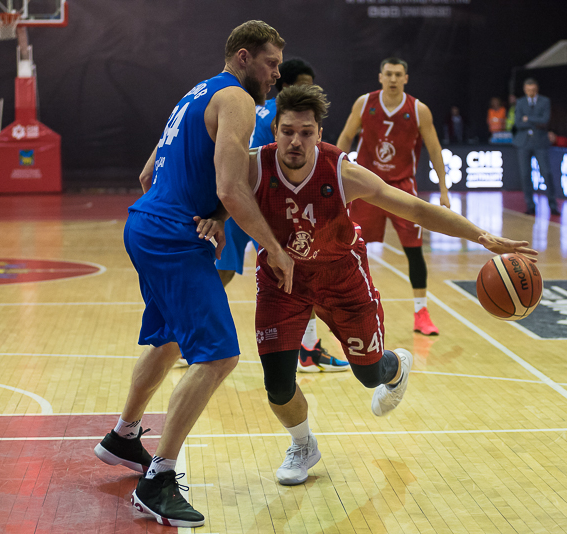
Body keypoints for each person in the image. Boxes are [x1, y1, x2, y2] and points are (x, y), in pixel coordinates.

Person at [205, 84, 536, 486]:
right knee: (277, 385)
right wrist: (216, 217)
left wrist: (481, 236)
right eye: (288, 131)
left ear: (319, 134)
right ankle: (303, 445)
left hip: (342, 279)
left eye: (306, 133)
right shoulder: (254, 164)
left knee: (369, 374)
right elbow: (226, 192)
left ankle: (396, 366)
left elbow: (415, 208)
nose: (296, 141)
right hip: (283, 280)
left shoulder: (342, 172)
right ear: (274, 130)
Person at [92, 20, 295, 528]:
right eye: (271, 63)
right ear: (244, 57)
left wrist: (212, 214)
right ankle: (158, 480)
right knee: (219, 355)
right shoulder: (238, 99)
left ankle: (123, 435)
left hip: (145, 224)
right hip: (171, 236)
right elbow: (231, 187)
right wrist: (272, 248)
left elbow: (148, 174)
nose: (277, 74)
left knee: (168, 341)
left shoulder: (195, 95)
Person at [213, 56, 348, 373]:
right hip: (257, 203)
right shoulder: (287, 119)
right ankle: (308, 351)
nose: (311, 92)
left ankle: (184, 336)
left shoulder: (261, 109)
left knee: (224, 272)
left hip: (240, 200)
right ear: (286, 86)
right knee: (300, 268)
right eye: (305, 86)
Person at [336, 57, 451, 336]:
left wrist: (444, 189)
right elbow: (346, 137)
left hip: (402, 188)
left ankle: (421, 313)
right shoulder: (365, 103)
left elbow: (435, 149)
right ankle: (345, 311)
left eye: (398, 75)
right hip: (367, 186)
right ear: (380, 77)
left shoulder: (419, 110)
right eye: (388, 74)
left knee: (414, 251)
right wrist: (335, 174)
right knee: (350, 250)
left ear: (406, 78)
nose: (393, 79)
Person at [513, 78, 560, 216]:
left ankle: (553, 205)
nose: (531, 92)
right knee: (525, 175)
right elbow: (518, 123)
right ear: (524, 89)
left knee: (546, 173)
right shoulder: (520, 102)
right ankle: (530, 205)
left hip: (540, 142)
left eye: (533, 90)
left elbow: (545, 121)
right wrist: (535, 121)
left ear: (537, 89)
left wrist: (528, 118)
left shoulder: (545, 101)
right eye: (528, 90)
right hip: (523, 142)